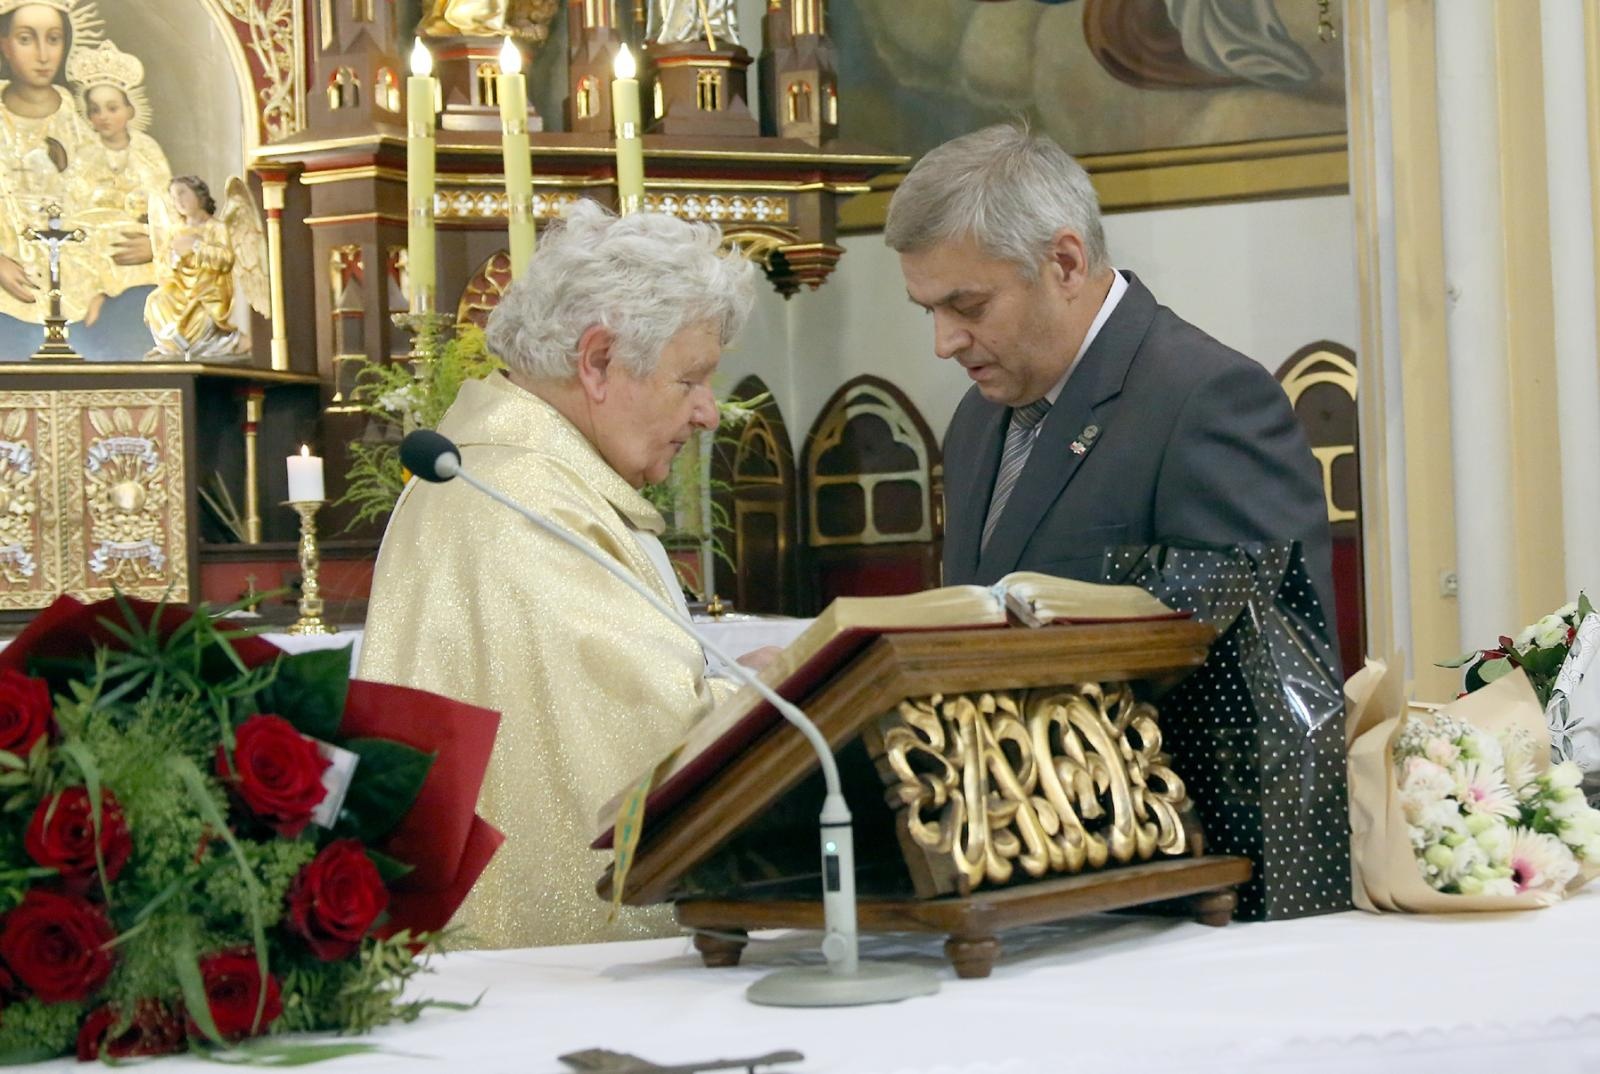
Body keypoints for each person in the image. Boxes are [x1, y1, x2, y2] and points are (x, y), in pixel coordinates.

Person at [358, 202, 760, 949]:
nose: (708, 412)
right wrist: (779, 692)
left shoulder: (507, 474)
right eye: (692, 379)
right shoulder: (522, 505)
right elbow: (631, 742)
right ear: (599, 360)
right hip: (544, 987)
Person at [886, 124, 1336, 627]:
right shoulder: (977, 418)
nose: (944, 344)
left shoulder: (1210, 400)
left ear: (1066, 264)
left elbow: (1265, 662)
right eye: (930, 312)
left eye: (968, 306)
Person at [67, 39, 171, 320]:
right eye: (95, 110)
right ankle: (94, 298)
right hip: (91, 245)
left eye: (112, 108)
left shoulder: (147, 150)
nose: (103, 117)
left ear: (129, 110)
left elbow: (166, 207)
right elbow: (71, 205)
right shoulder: (84, 154)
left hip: (138, 242)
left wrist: (156, 244)